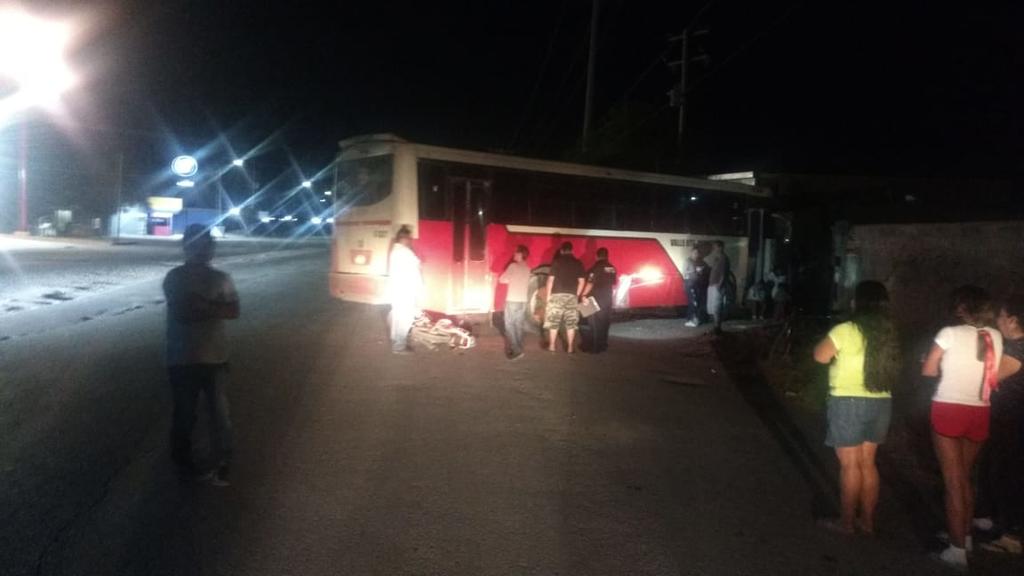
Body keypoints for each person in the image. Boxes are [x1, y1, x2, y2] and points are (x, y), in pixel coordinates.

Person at [921, 286, 1003, 571]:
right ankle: (964, 536)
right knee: (965, 476)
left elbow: (928, 370)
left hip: (949, 408)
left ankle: (956, 551)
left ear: (963, 308)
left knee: (953, 481)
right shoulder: (995, 335)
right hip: (980, 410)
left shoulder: (949, 333)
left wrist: (939, 365)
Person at [813, 281, 900, 535]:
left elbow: (820, 356)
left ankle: (847, 523)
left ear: (858, 302)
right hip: (881, 401)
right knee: (868, 463)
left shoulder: (846, 329)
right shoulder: (889, 331)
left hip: (849, 401)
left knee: (850, 465)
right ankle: (868, 521)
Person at [163, 224, 239, 486]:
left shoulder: (222, 278)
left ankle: (223, 460)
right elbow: (182, 314)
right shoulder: (175, 277)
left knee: (220, 414)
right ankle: (182, 461)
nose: (204, 249)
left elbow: (234, 311)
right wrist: (215, 307)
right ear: (187, 247)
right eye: (198, 244)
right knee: (185, 414)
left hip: (216, 359)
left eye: (208, 244)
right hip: (182, 359)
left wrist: (203, 305)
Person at [978, 294, 1024, 555]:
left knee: (1010, 475)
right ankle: (998, 523)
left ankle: (1012, 536)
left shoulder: (1017, 350)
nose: (998, 321)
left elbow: (993, 378)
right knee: (1000, 471)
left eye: (1001, 316)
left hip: (1012, 421)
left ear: (1013, 320)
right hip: (1009, 420)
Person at [544, 241, 585, 353]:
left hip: (556, 296)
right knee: (571, 324)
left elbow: (550, 281)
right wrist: (576, 295)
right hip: (571, 296)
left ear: (562, 250)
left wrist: (548, 297)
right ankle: (570, 348)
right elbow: (582, 281)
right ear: (572, 250)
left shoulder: (557, 261)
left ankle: (552, 346)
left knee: (554, 322)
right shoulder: (578, 263)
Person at [388, 225, 423, 354]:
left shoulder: (396, 251)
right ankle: (399, 346)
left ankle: (398, 341)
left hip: (398, 290)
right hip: (406, 291)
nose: (411, 241)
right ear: (404, 238)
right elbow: (417, 267)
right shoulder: (404, 252)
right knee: (405, 318)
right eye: (409, 238)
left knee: (398, 316)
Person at [582, 247, 617, 353]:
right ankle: (603, 345)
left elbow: (590, 283)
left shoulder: (595, 268)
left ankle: (594, 347)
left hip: (593, 298)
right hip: (607, 299)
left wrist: (583, 295)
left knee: (593, 324)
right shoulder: (612, 268)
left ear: (596, 256)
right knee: (605, 323)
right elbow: (614, 282)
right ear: (607, 256)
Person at [499, 245, 531, 360]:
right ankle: (519, 347)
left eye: (516, 253)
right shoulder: (528, 268)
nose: (514, 255)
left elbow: (502, 279)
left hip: (513, 300)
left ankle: (516, 351)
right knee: (518, 325)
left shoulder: (513, 266)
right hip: (523, 301)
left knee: (509, 326)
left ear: (521, 254)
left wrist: (509, 278)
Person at [705, 241, 730, 332]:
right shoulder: (717, 258)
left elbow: (723, 274)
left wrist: (719, 285)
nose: (714, 249)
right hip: (712, 284)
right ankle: (715, 326)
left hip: (717, 286)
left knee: (717, 306)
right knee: (712, 307)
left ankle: (717, 327)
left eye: (715, 247)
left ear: (720, 247)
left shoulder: (724, 258)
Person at [683, 247, 706, 327]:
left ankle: (691, 319)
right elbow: (684, 272)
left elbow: (697, 273)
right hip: (689, 284)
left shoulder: (697, 261)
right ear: (691, 253)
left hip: (696, 284)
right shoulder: (687, 261)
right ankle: (690, 320)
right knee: (693, 302)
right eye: (695, 253)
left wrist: (700, 272)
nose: (697, 255)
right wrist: (695, 271)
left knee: (695, 302)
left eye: (698, 253)